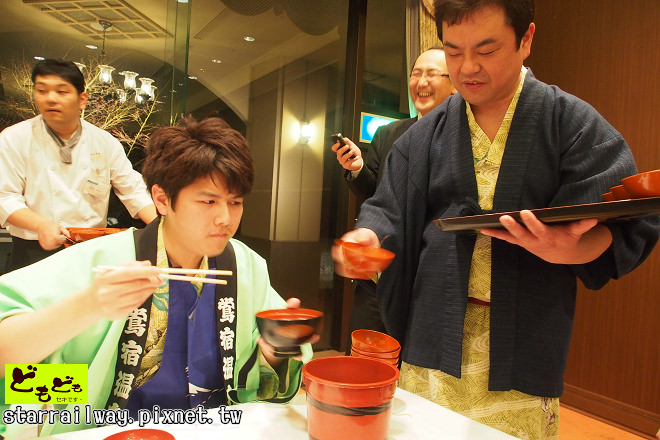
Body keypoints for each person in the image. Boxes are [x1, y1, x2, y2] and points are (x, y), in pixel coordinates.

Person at [331, 1, 659, 438]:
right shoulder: (423, 136)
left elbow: (630, 220)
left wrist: (572, 249)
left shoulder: (570, 122)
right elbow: (388, 207)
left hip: (523, 342)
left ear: (526, 39)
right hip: (431, 335)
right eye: (454, 51)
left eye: (486, 50)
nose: (467, 67)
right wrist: (367, 237)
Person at [0, 116, 313, 438]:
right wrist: (89, 306)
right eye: (208, 201)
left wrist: (276, 351)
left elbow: (258, 386)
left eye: (235, 202)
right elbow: (6, 356)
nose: (225, 218)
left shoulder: (245, 266)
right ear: (162, 199)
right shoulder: (103, 260)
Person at [331, 47, 455, 352]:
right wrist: (357, 169)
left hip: (428, 280)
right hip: (379, 274)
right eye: (416, 74)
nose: (421, 82)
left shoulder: (461, 139)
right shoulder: (390, 134)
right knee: (363, 360)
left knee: (413, 367)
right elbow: (378, 198)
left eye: (431, 74)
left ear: (455, 84)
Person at [0, 59, 157, 273]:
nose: (51, 98)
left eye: (61, 91)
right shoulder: (14, 138)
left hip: (89, 251)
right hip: (33, 252)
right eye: (42, 91)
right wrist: (41, 225)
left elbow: (134, 191)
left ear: (82, 100)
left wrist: (160, 229)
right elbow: (5, 197)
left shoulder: (103, 141)